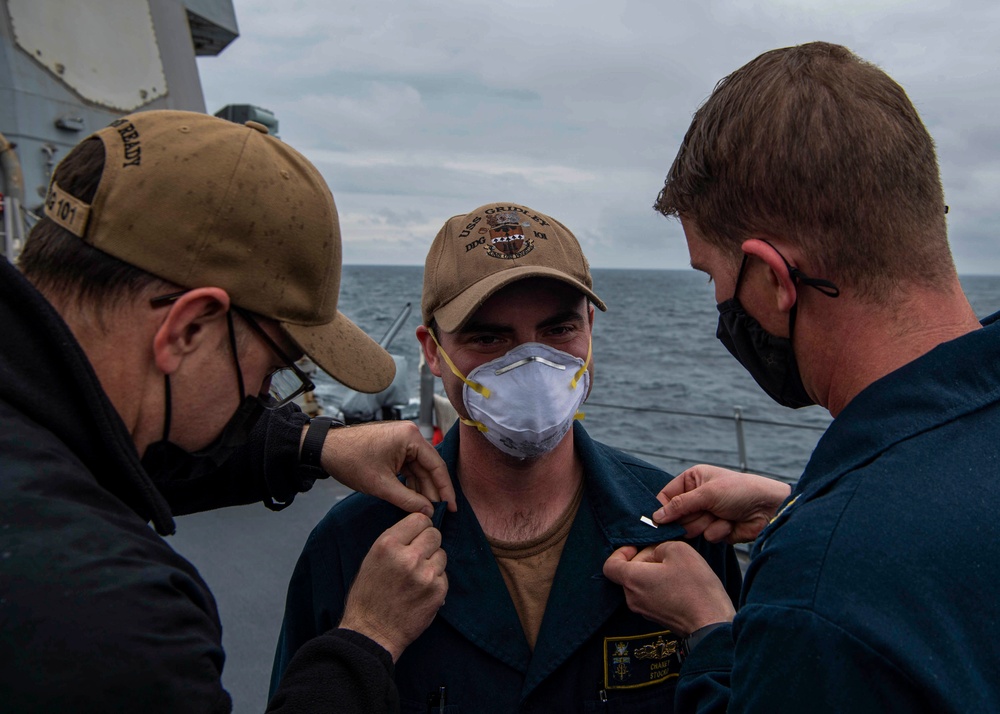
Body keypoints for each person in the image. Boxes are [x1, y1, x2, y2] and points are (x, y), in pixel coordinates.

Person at [0, 110, 455, 713]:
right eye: (272, 373)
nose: (261, 399)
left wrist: (312, 444)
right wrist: (368, 637)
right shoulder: (119, 622)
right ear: (188, 328)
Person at [602, 41, 1000, 712]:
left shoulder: (823, 591)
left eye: (714, 277)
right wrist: (797, 506)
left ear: (774, 278)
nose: (719, 305)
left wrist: (714, 631)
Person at [270, 202, 743, 712]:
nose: (531, 364)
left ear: (590, 329)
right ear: (432, 351)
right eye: (489, 337)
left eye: (559, 330)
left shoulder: (683, 530)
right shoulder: (351, 547)